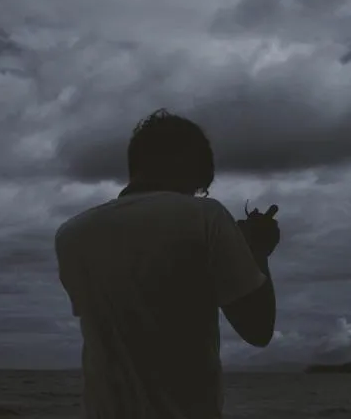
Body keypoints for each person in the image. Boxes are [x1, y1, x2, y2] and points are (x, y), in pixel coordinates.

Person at [55, 108, 280, 419]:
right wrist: (257, 251)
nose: (198, 194)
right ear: (192, 168)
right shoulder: (206, 217)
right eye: (201, 186)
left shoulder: (70, 234)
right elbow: (258, 330)